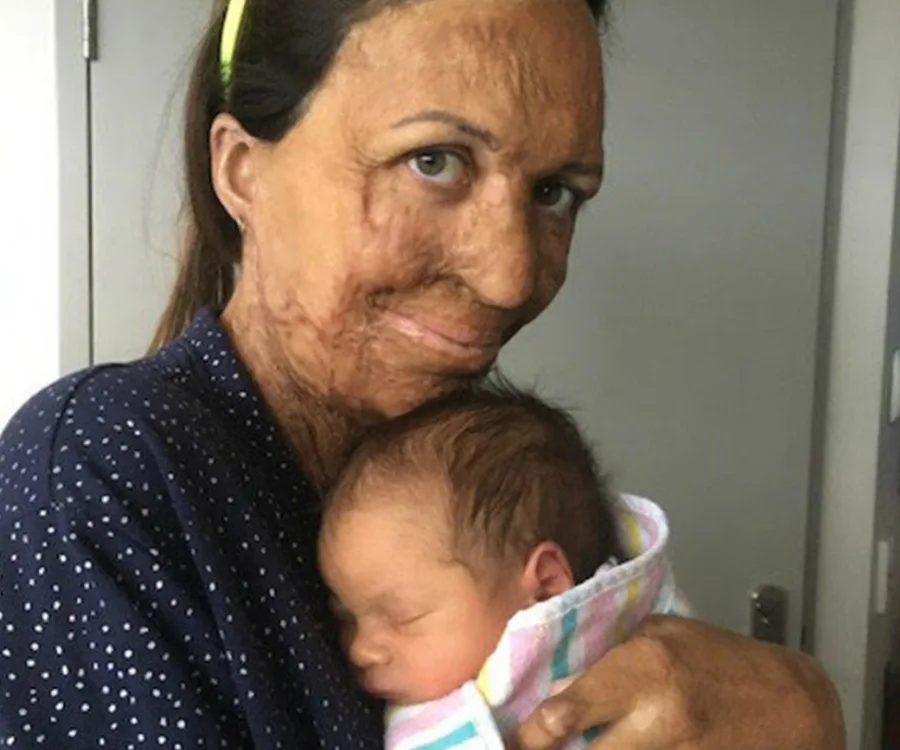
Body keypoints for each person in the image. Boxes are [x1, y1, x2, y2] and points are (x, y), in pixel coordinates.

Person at [0, 0, 843, 747]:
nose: (513, 276)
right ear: (241, 171)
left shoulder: (468, 478)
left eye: (556, 192)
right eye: (434, 161)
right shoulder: (104, 470)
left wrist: (803, 710)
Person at [318, 381, 692, 750]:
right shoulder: (430, 728)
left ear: (545, 585)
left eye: (403, 616)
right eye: (346, 618)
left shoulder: (658, 623)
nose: (360, 650)